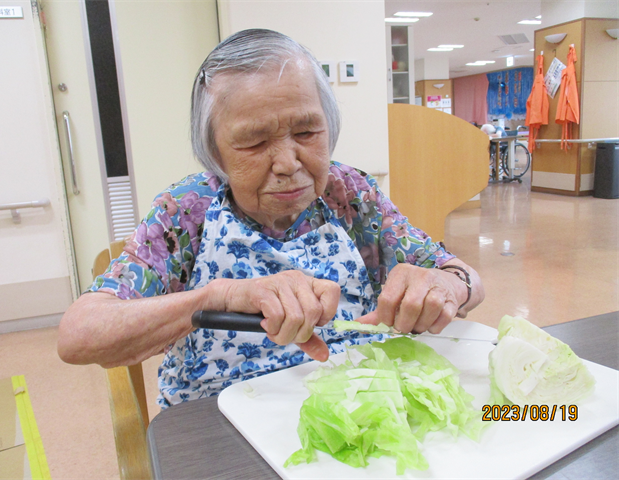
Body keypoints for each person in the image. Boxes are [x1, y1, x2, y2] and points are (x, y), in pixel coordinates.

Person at [58, 29, 484, 407]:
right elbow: (79, 335)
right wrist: (214, 297)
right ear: (215, 151)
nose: (287, 163)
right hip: (221, 426)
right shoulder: (189, 209)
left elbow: (466, 279)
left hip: (354, 411)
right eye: (254, 142)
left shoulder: (349, 193)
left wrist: (446, 284)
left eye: (306, 133)